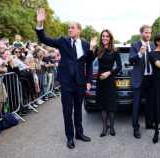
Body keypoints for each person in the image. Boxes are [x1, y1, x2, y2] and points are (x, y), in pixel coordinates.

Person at [35, 8, 94, 149]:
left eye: (72, 28)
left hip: (80, 83)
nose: (69, 30)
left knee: (79, 110)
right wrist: (39, 24)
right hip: (66, 83)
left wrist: (89, 81)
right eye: (68, 28)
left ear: (79, 30)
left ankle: (79, 133)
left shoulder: (85, 44)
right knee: (67, 111)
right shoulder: (62, 41)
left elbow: (89, 63)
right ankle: (70, 137)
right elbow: (44, 39)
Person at [90, 30, 122, 137]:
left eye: (107, 36)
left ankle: (112, 127)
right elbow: (89, 59)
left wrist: (109, 73)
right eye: (103, 36)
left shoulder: (115, 51)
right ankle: (104, 128)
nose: (104, 38)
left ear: (110, 38)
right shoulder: (98, 50)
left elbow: (119, 67)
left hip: (110, 80)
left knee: (111, 106)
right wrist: (92, 47)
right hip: (100, 81)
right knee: (103, 106)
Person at [129, 25, 156, 139]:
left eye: (149, 33)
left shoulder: (153, 45)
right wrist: (140, 53)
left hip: (151, 78)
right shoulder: (135, 45)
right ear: (141, 33)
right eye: (146, 32)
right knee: (136, 105)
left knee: (150, 103)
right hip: (139, 78)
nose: (148, 35)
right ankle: (136, 128)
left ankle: (149, 124)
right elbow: (131, 60)